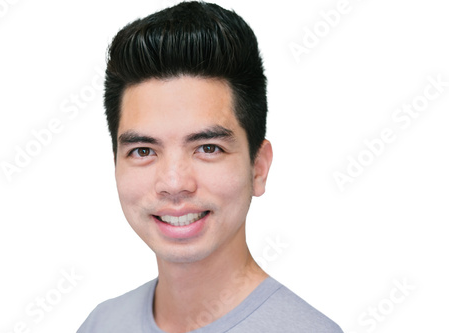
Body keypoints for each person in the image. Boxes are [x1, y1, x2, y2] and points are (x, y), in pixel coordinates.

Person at [77, 1, 342, 332]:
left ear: (258, 168)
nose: (173, 183)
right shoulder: (102, 324)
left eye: (207, 148)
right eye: (143, 150)